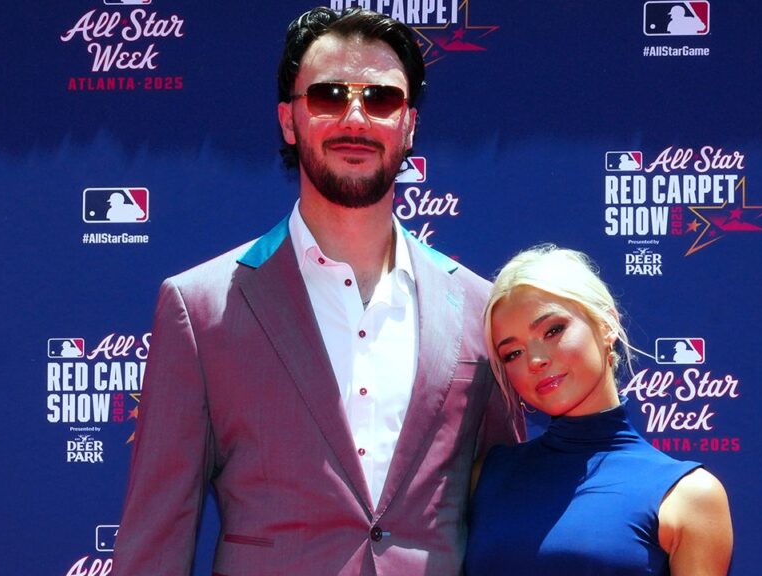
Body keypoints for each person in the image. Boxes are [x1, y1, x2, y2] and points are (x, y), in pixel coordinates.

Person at [112, 7, 522, 576]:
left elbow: (508, 516)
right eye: (329, 96)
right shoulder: (200, 307)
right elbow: (156, 538)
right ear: (289, 120)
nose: (355, 118)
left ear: (408, 125)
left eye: (380, 99)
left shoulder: (481, 308)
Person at [466, 245, 732, 575]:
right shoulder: (485, 477)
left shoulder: (689, 495)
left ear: (607, 325)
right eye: (513, 353)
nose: (535, 359)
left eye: (553, 330)